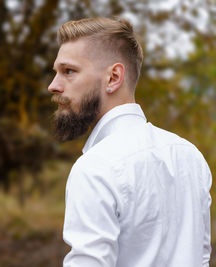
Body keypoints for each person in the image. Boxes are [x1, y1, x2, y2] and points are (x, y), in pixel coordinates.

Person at [48, 17, 212, 267]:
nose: (53, 86)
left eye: (68, 71)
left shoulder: (95, 167)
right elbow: (200, 258)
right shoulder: (189, 155)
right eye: (56, 73)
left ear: (113, 77)